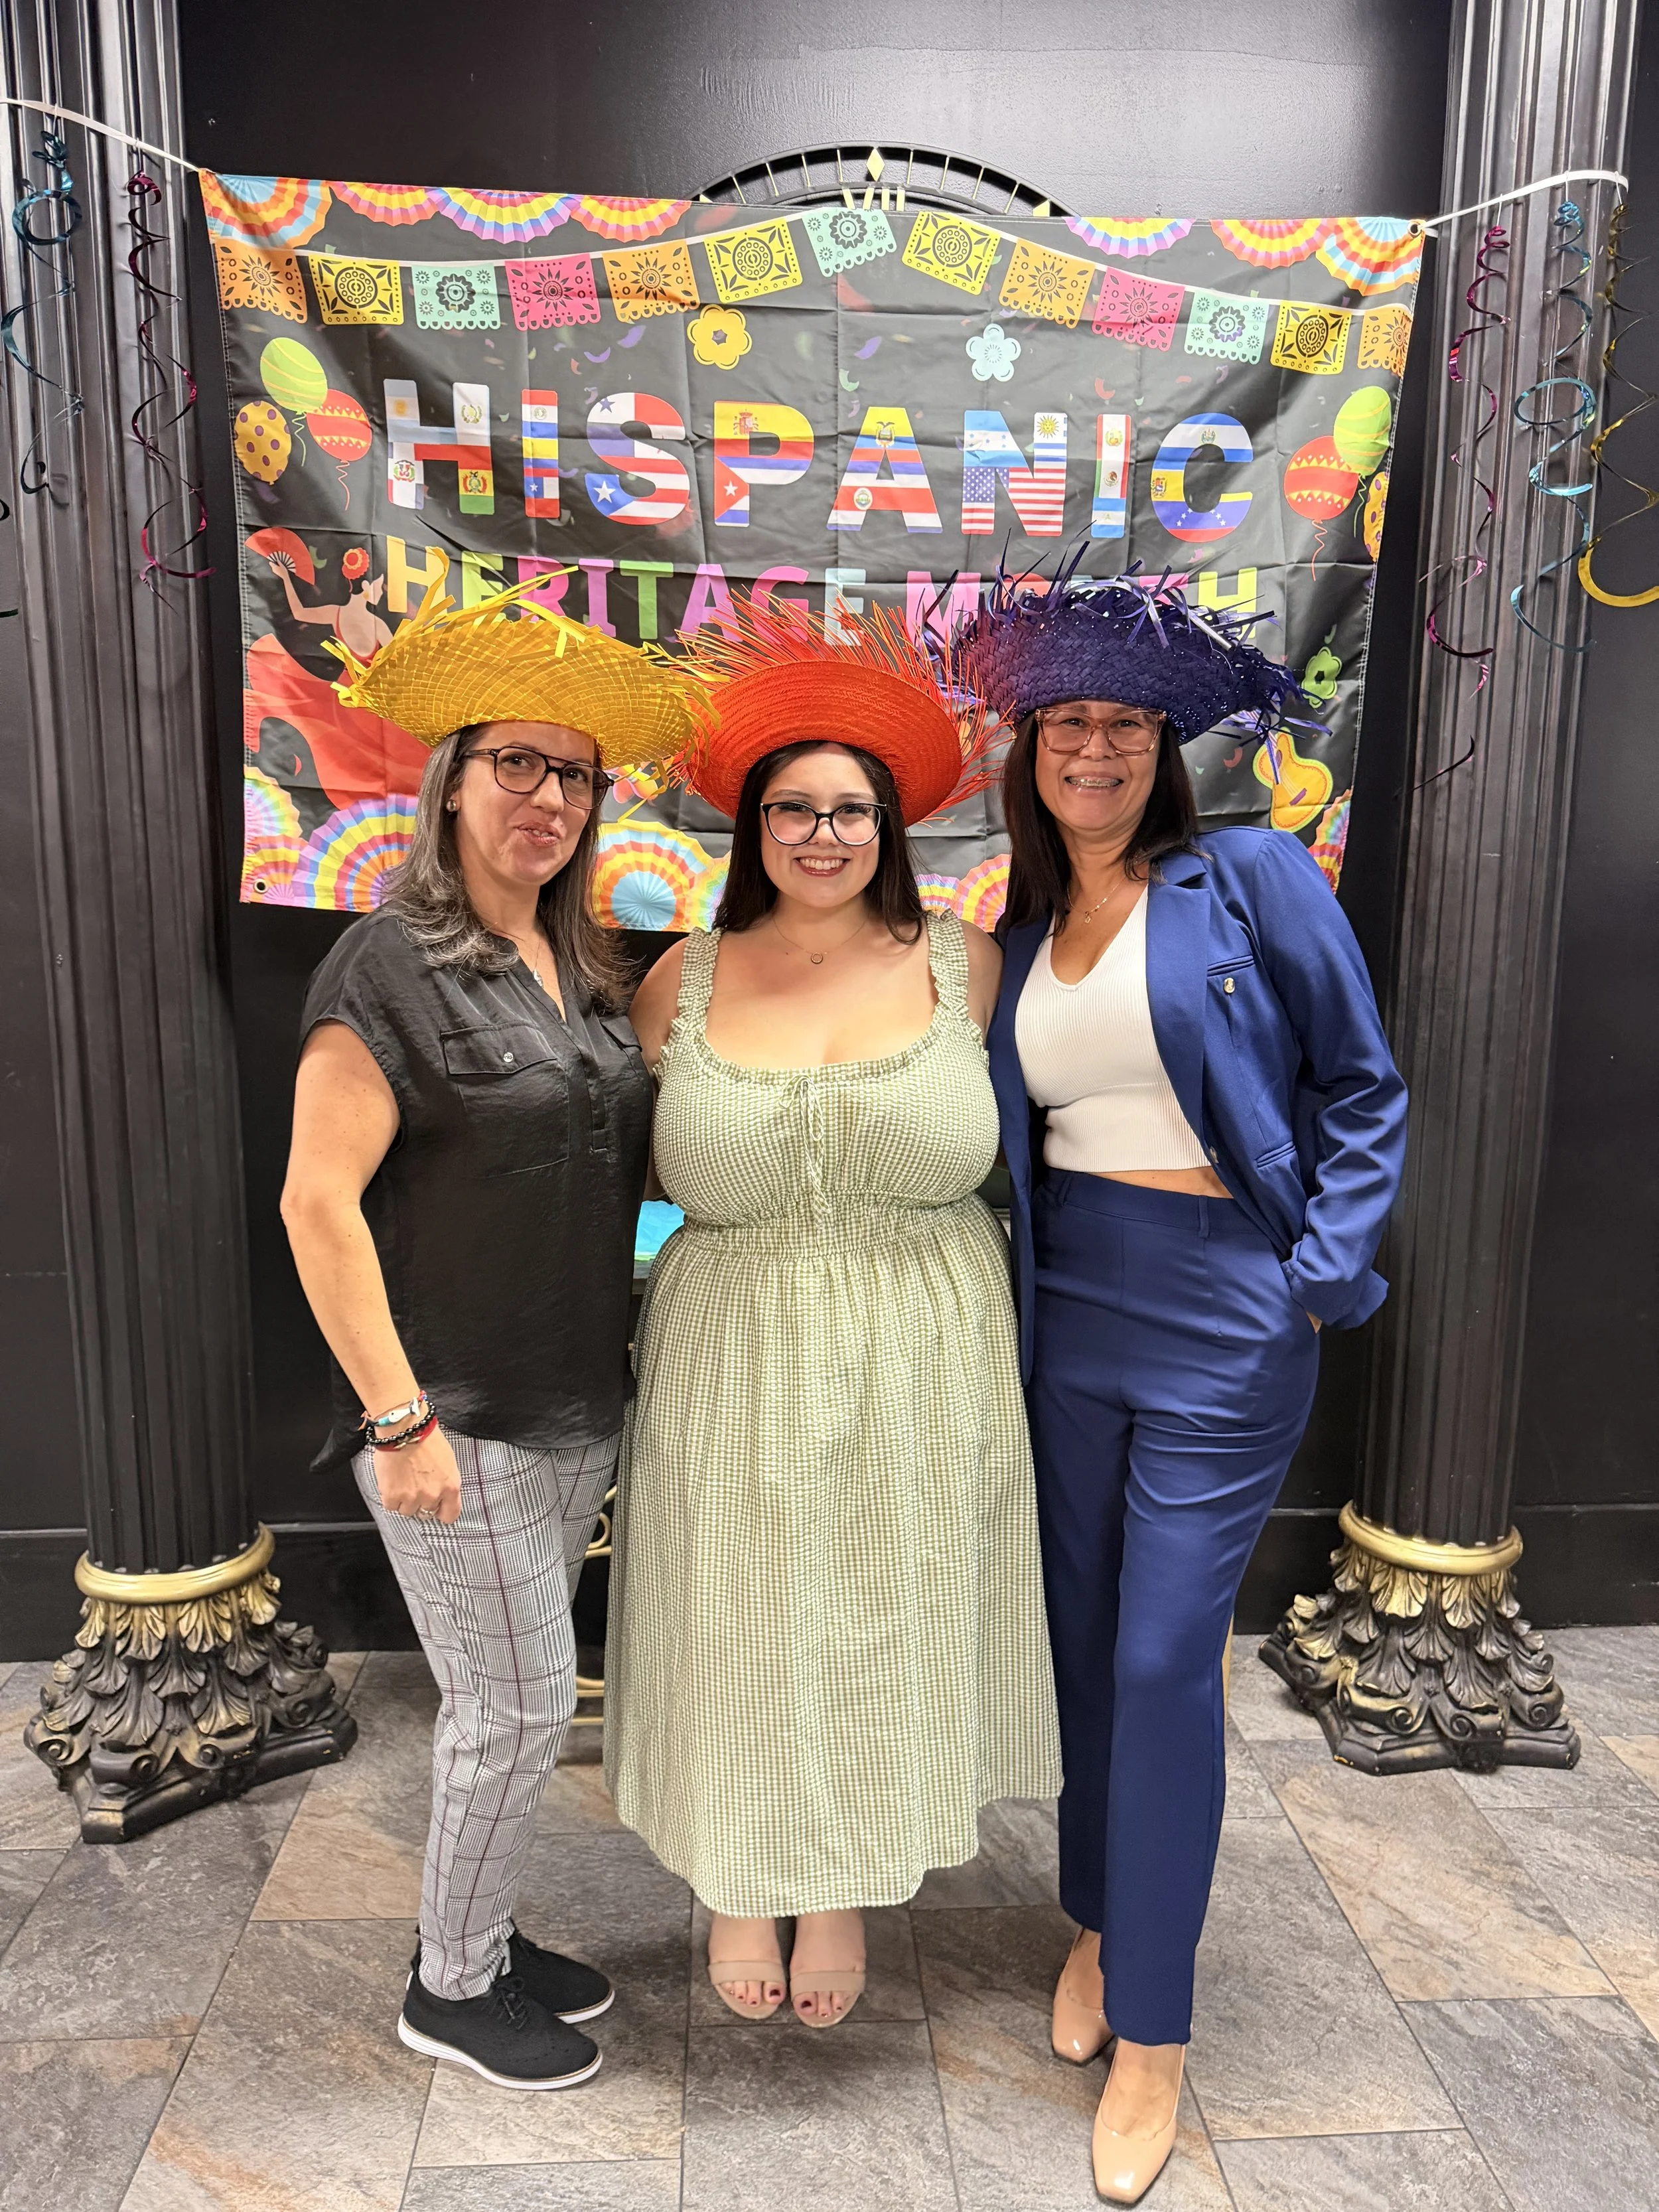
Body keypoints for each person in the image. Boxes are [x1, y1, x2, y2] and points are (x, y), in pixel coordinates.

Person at [958, 569, 1407, 2204]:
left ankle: (1152, 2026)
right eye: (1067, 724)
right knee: (1082, 1642)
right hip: (1066, 1308)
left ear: (1162, 746)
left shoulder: (1255, 877)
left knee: (1160, 1662)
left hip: (1225, 1310)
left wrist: (1312, 1281)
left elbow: (1362, 1089)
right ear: (1031, 748)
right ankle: (1095, 1920)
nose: (1093, 750)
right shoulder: (1012, 928)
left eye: (1122, 726)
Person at [609, 603, 1061, 2028]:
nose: (820, 832)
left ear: (891, 826)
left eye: (848, 808)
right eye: (793, 808)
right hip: (728, 1343)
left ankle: (845, 1879)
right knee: (737, 1608)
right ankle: (743, 1873)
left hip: (925, 1344)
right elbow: (619, 1170)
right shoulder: (677, 977)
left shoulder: (969, 969)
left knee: (878, 1609)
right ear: (752, 826)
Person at [281, 579, 697, 2092]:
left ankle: (480, 1933)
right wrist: (397, 1420)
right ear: (452, 776)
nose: (544, 795)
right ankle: (450, 1989)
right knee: (510, 1709)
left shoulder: (581, 971)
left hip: (576, 1398)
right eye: (513, 761)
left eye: (572, 772)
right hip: (454, 1420)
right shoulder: (381, 965)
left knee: (521, 1708)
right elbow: (316, 1205)